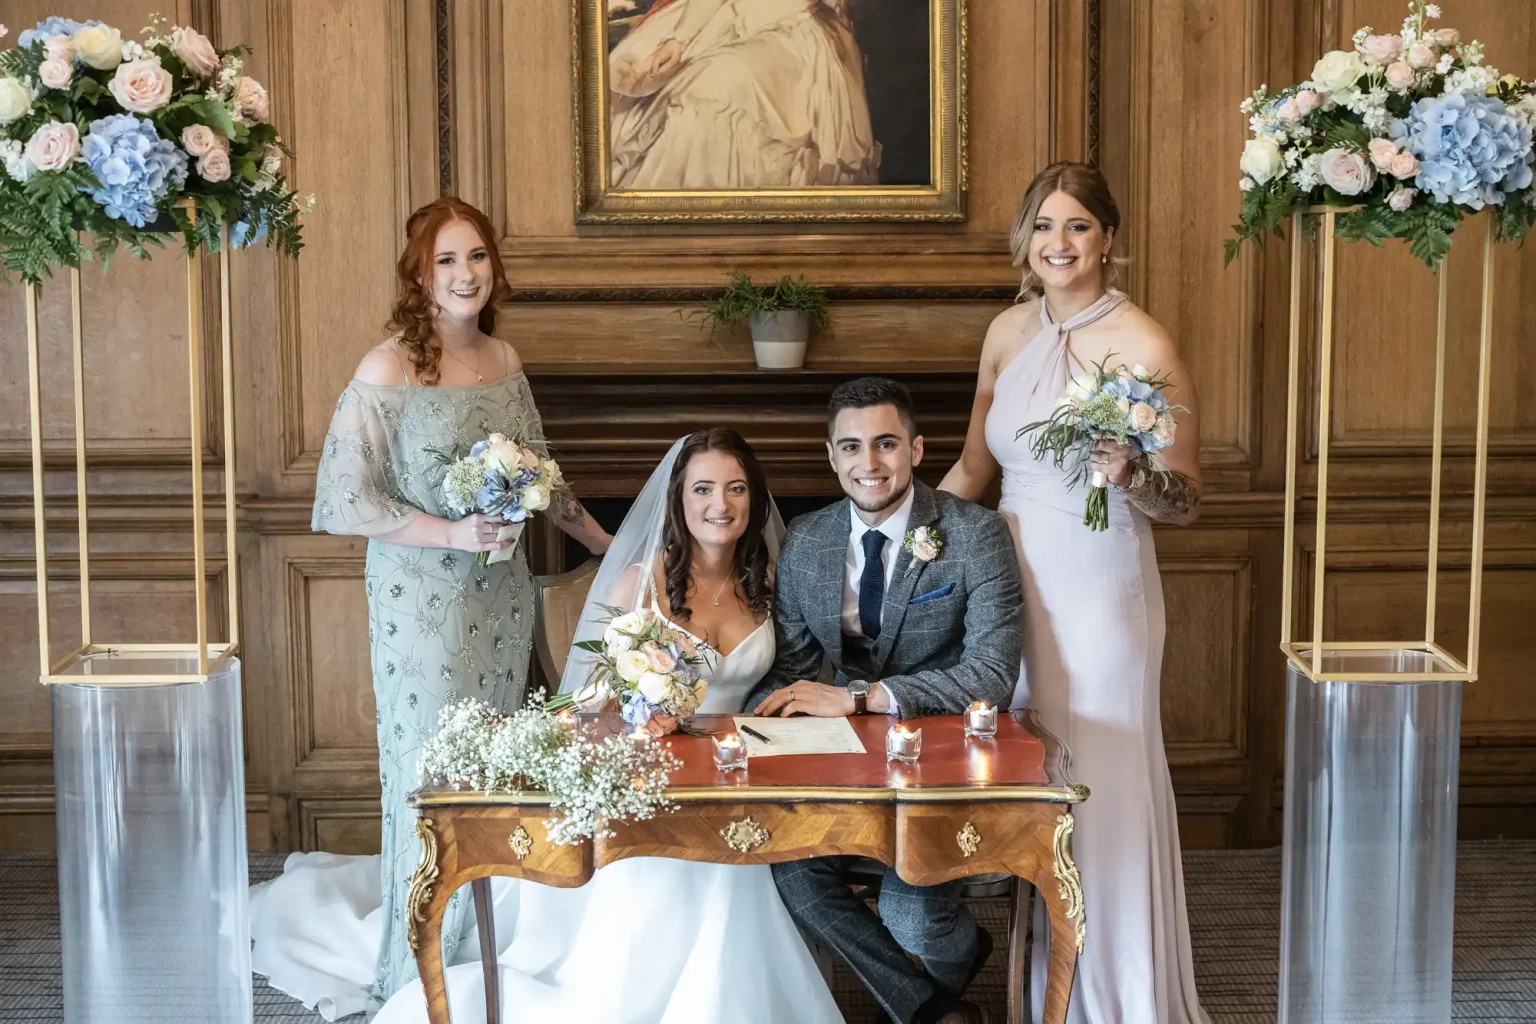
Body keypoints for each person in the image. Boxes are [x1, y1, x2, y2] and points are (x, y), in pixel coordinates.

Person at [248, 196, 611, 1019]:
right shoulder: (387, 370)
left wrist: (606, 541)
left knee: (491, 765)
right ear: (420, 274)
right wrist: (449, 532)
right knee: (430, 769)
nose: (465, 275)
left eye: (476, 257)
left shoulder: (504, 358)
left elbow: (543, 475)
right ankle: (412, 954)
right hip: (422, 602)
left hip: (499, 595)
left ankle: (481, 930)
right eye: (447, 260)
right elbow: (342, 500)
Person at [372, 429, 845, 1024]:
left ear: (753, 500)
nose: (719, 504)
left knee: (744, 863)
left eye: (735, 488)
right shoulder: (638, 585)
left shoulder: (772, 586)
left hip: (735, 776)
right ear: (678, 500)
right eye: (702, 489)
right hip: (651, 771)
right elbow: (595, 699)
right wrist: (632, 722)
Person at [938, 161, 1209, 1024]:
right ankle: (1041, 988)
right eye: (1044, 227)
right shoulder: (1005, 333)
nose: (1059, 244)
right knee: (1033, 781)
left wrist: (1132, 474)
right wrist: (913, 536)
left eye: (1079, 226)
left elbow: (1188, 500)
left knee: (1098, 775)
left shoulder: (1145, 344)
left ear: (1108, 239)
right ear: (1025, 240)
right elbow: (979, 464)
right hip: (1011, 581)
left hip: (1100, 586)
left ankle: (1116, 997)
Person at [749, 377, 1023, 1024]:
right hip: (842, 771)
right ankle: (933, 1011)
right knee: (791, 872)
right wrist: (763, 727)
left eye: (885, 444)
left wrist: (863, 698)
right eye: (851, 447)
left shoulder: (976, 534)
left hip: (944, 767)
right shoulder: (807, 542)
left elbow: (992, 674)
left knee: (913, 916)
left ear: (917, 449)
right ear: (831, 455)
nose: (868, 464)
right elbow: (786, 671)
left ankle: (947, 963)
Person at [607, 0, 879, 187]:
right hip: (723, 19)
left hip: (797, 28)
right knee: (678, 82)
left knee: (714, 84)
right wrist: (680, 38)